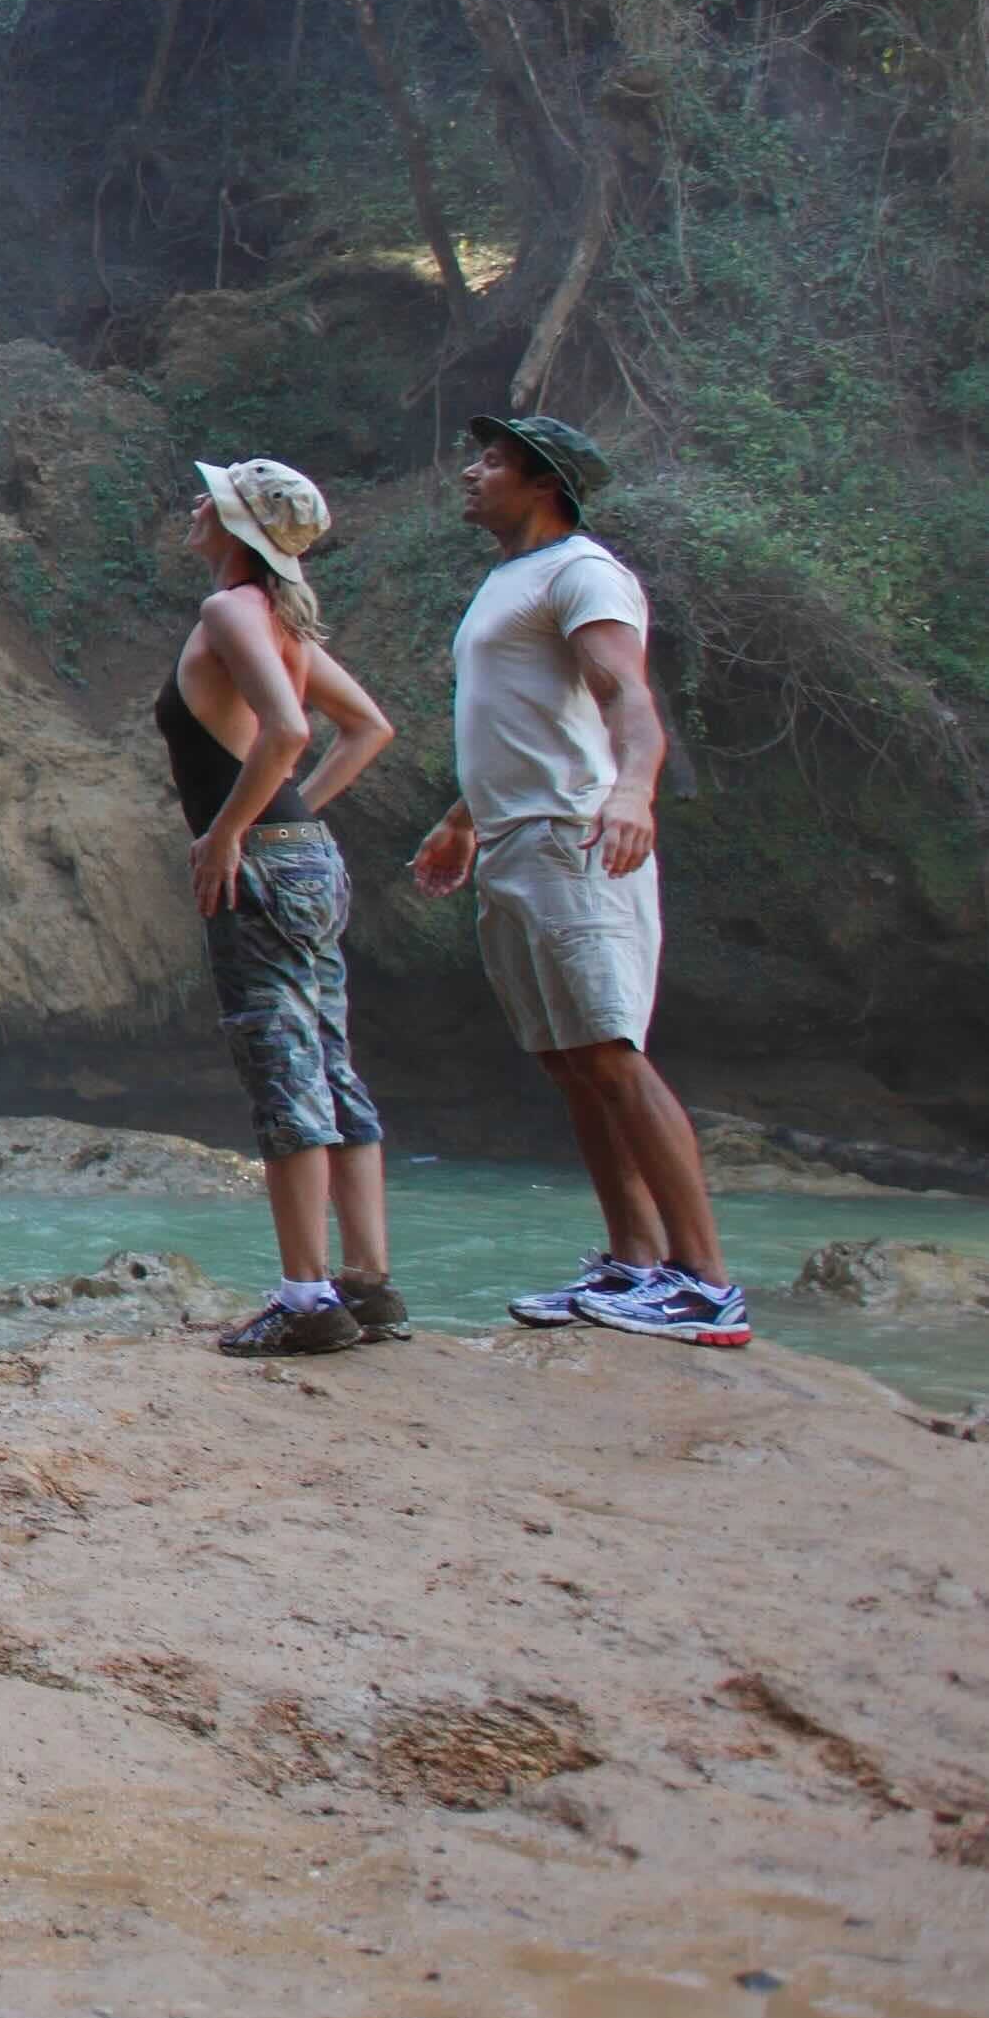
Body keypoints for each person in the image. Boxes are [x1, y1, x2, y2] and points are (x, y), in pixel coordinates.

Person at [408, 414, 743, 1344]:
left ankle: (706, 1284)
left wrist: (635, 789)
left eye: (493, 461)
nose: (471, 472)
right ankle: (634, 1265)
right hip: (514, 840)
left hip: (574, 840)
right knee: (567, 1063)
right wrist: (461, 819)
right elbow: (523, 718)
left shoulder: (582, 573)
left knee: (608, 1051)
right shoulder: (507, 582)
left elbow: (625, 694)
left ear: (543, 481)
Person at [161, 458, 404, 1356]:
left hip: (263, 864)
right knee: (331, 1060)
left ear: (239, 527)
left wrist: (229, 832)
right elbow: (369, 727)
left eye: (212, 500)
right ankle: (368, 1285)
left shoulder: (230, 610)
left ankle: (306, 1298)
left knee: (282, 1063)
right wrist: (295, 821)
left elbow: (290, 732)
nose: (197, 504)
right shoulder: (281, 618)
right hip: (307, 857)